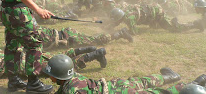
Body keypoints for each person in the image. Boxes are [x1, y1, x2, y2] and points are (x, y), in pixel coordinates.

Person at [43, 54, 206, 94]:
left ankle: (193, 86)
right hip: (113, 86)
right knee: (140, 82)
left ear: (57, 76)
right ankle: (171, 77)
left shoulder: (71, 90)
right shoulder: (73, 78)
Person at [0, 43, 107, 86]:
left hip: (29, 66)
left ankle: (93, 55)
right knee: (57, 58)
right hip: (30, 55)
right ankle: (86, 49)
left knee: (60, 67)